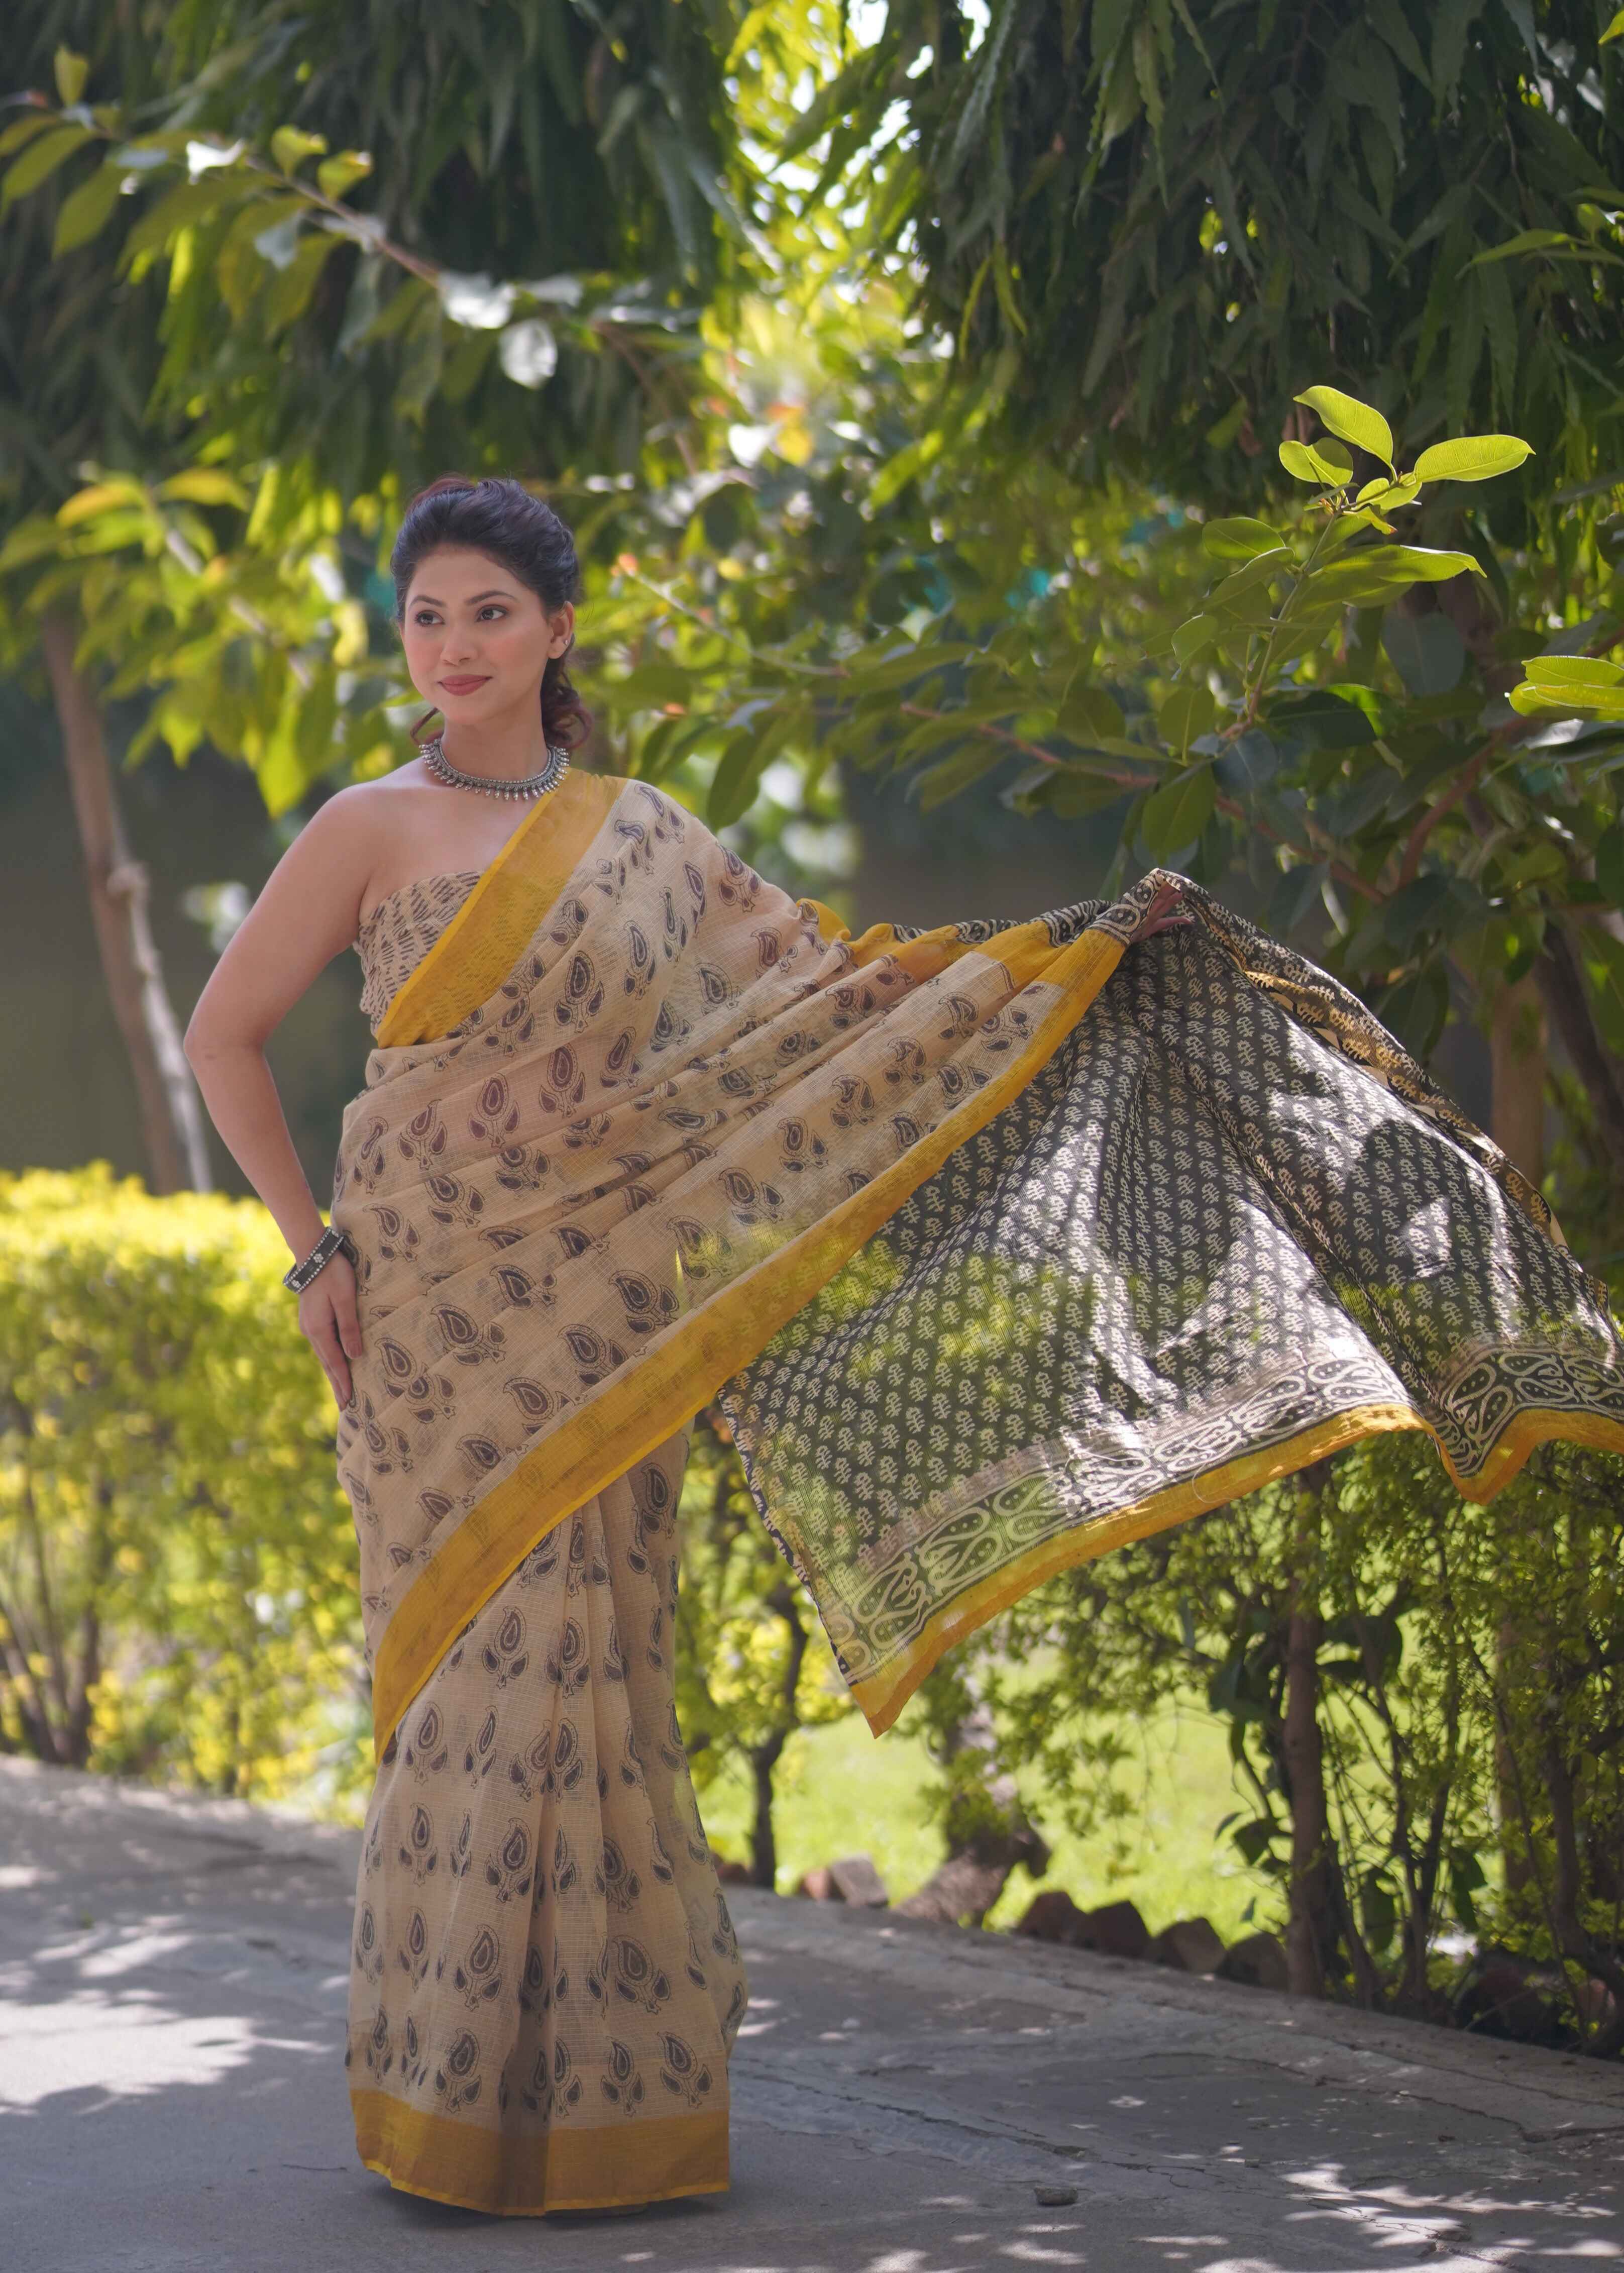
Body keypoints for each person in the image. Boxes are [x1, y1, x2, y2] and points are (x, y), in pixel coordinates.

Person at [182, 473, 1624, 2219]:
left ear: (558, 630)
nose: (456, 645)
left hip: (612, 1324)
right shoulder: (364, 824)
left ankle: (604, 2108)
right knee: (467, 1685)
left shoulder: (648, 837)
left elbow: (825, 1000)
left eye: (491, 611)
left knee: (599, 1663)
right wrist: (305, 1249)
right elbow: (223, 1038)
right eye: (428, 614)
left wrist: (1063, 961)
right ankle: (448, 2100)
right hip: (434, 1319)